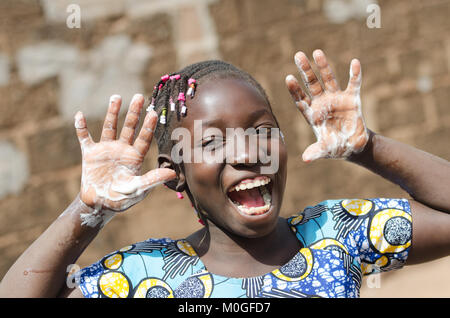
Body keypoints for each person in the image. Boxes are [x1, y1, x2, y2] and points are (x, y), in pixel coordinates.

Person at [0, 50, 449, 298]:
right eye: (212, 142)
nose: (247, 153)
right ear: (175, 175)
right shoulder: (144, 275)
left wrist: (367, 146)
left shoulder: (336, 234)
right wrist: (89, 210)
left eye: (262, 130)